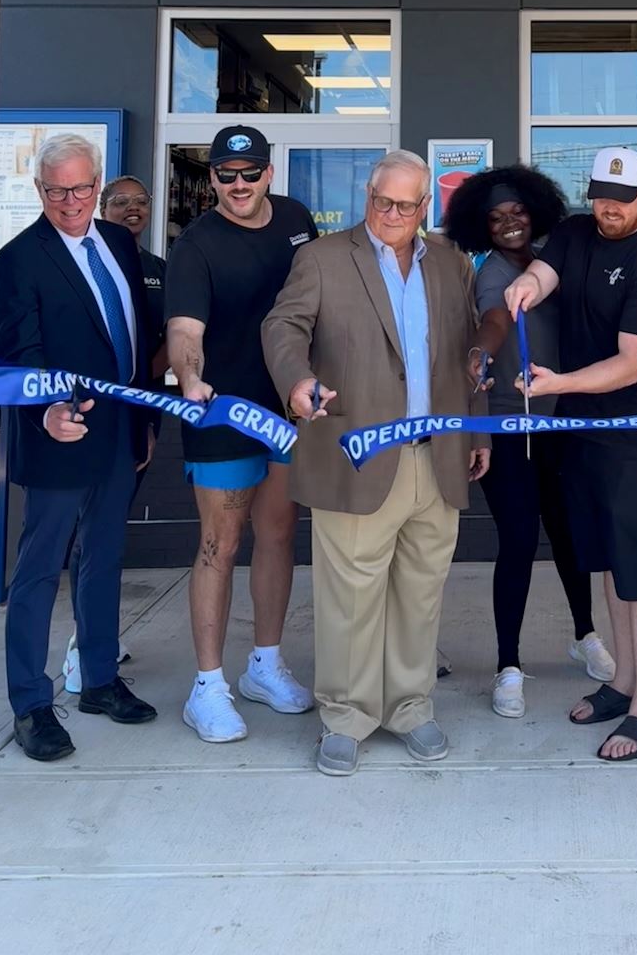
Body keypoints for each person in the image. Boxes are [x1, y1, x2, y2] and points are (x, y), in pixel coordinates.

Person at [262, 150, 490, 777]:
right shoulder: (322, 258)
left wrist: (479, 432)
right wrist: (297, 381)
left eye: (404, 205)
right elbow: (284, 327)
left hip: (436, 457)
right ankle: (346, 716)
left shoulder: (450, 263)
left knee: (419, 595)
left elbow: (470, 349)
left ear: (425, 207)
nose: (389, 214)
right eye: (380, 201)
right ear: (368, 196)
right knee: (351, 599)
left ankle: (412, 708)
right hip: (357, 455)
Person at [504, 147, 637, 762]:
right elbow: (547, 271)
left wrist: (555, 384)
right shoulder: (579, 230)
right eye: (599, 199)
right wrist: (525, 284)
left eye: (620, 202)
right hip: (583, 426)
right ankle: (624, 680)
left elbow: (631, 365)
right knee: (608, 558)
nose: (606, 212)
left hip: (636, 431)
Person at [0, 133, 157, 761]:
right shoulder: (18, 259)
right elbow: (17, 357)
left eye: (82, 188)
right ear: (39, 191)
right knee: (38, 570)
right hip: (59, 433)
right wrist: (45, 411)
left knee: (104, 559)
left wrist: (145, 422)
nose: (70, 201)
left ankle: (98, 680)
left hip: (120, 433)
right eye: (56, 190)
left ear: (98, 186)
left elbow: (135, 336)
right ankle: (31, 703)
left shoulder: (118, 242)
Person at [442, 165, 614, 719]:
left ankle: (585, 635)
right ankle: (508, 666)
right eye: (495, 219)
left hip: (562, 419)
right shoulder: (492, 273)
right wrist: (480, 352)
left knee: (569, 535)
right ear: (481, 228)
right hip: (507, 426)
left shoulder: (553, 259)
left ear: (535, 211)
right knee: (518, 539)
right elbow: (495, 318)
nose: (508, 224)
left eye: (516, 212)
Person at [166, 125, 317, 743]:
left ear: (268, 175)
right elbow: (184, 333)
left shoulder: (297, 220)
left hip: (285, 410)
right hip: (222, 413)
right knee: (219, 546)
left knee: (278, 535)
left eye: (248, 173)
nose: (237, 185)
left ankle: (265, 663)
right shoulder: (196, 245)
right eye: (225, 175)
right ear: (211, 181)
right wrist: (189, 379)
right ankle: (207, 686)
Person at [62, 174, 169, 695]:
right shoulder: (83, 259)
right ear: (103, 207)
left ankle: (99, 637)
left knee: (108, 532)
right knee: (84, 533)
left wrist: (141, 402)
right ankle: (83, 644)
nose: (131, 209)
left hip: (136, 417)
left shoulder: (154, 270)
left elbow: (169, 340)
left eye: (140, 202)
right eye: (120, 202)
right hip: (79, 416)